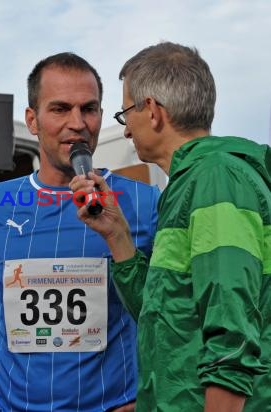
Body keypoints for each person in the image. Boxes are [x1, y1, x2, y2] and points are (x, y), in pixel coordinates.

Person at [0, 52, 160, 412]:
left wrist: (152, 397)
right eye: (60, 109)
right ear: (32, 120)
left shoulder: (146, 203)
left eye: (90, 108)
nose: (77, 123)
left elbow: (179, 314)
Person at [71, 41, 271, 411]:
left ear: (152, 111)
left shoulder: (216, 180)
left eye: (125, 113)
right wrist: (117, 234)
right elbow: (165, 316)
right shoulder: (191, 185)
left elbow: (232, 327)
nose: (126, 130)